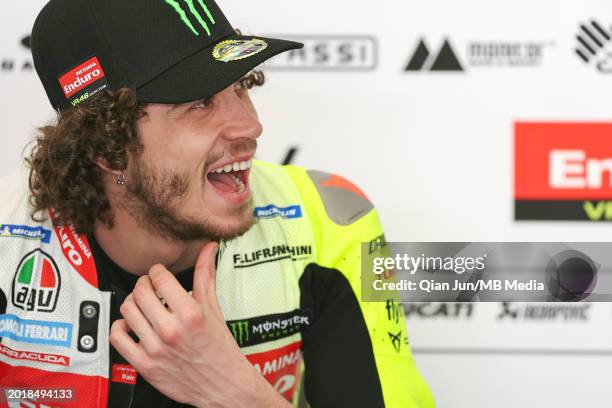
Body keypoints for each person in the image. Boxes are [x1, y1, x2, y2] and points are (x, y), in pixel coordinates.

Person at [0, 0, 435, 407]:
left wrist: (236, 393)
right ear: (108, 148)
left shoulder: (331, 219)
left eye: (241, 86)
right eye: (199, 102)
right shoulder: (7, 240)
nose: (251, 124)